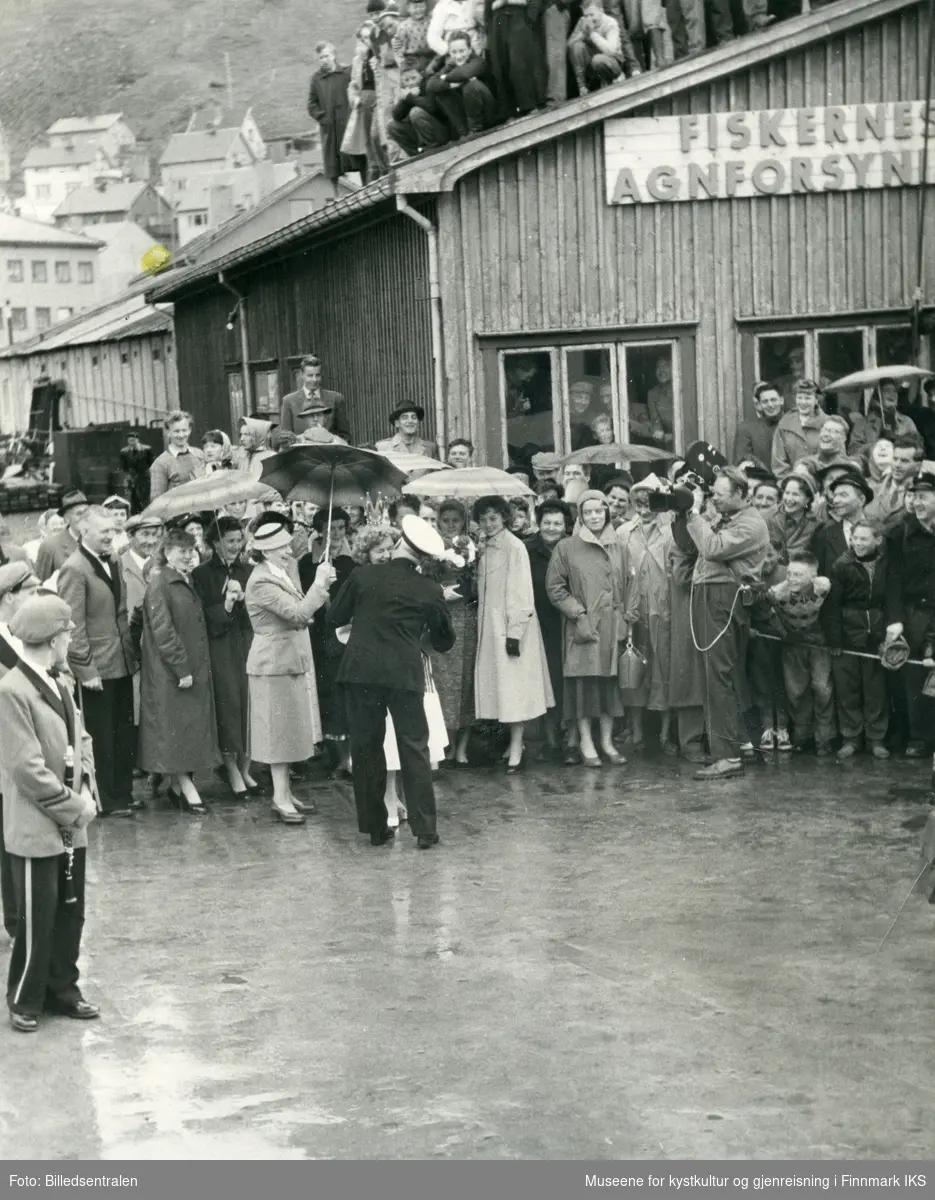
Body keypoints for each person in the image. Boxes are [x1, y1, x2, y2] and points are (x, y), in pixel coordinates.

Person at [0, 594, 99, 1034]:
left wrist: (88, 786)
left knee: (70, 911)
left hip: (69, 822)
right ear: (54, 639)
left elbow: (81, 739)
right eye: (68, 633)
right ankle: (26, 996)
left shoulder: (61, 680)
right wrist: (75, 806)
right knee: (38, 915)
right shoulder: (11, 691)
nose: (71, 638)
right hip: (40, 822)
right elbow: (26, 768)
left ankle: (63, 988)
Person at [329, 515, 455, 848]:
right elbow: (444, 641)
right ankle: (425, 830)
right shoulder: (429, 588)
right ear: (424, 557)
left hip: (360, 672)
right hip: (405, 674)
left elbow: (335, 617)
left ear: (398, 544)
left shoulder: (361, 575)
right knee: (414, 746)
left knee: (367, 747)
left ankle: (375, 827)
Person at [673, 467, 770, 781]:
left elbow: (712, 548)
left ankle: (726, 757)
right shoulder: (722, 518)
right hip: (711, 598)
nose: (713, 498)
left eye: (719, 494)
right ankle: (743, 745)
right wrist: (682, 512)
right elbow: (690, 545)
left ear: (742, 494)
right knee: (725, 677)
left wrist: (694, 513)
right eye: (712, 492)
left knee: (718, 678)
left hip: (723, 600)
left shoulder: (752, 524)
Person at [245, 514, 336, 824]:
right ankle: (280, 797)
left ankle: (284, 793)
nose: (288, 550)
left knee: (288, 733)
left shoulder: (279, 572)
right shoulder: (260, 580)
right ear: (266, 551)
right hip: (273, 665)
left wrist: (318, 588)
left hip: (287, 662)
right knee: (277, 735)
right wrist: (320, 584)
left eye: (287, 544)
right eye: (281, 547)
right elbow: (297, 613)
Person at [57, 507, 138, 819]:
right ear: (83, 531)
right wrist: (85, 669)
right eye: (103, 531)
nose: (110, 536)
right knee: (101, 735)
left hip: (120, 662)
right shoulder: (74, 569)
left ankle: (123, 793)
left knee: (122, 732)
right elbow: (72, 623)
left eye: (112, 530)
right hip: (95, 670)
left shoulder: (114, 560)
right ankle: (105, 798)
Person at [139, 529, 221, 816]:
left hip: (189, 670)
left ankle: (178, 787)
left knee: (185, 732)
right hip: (171, 674)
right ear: (167, 552)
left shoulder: (185, 580)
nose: (187, 555)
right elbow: (163, 631)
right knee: (175, 732)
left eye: (190, 550)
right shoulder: (160, 583)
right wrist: (181, 667)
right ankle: (187, 789)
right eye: (180, 550)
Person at [546, 490, 630, 767]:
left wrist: (628, 619)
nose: (595, 516)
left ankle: (606, 741)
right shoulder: (566, 547)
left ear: (607, 512)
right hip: (581, 627)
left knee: (609, 685)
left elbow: (631, 588)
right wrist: (577, 613)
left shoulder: (620, 546)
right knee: (583, 687)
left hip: (612, 627)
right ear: (580, 516)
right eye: (588, 511)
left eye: (599, 510)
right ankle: (585, 741)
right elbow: (555, 588)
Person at [472, 495, 553, 770]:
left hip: (509, 626)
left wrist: (515, 632)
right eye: (483, 520)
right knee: (500, 689)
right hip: (489, 626)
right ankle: (509, 743)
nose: (488, 524)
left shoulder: (514, 547)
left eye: (493, 518)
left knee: (514, 688)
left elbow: (520, 591)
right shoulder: (482, 547)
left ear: (504, 518)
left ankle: (518, 745)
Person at [192, 518, 256, 798]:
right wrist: (226, 603)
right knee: (228, 704)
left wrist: (244, 600)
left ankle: (245, 767)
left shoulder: (249, 570)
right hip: (221, 648)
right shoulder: (201, 574)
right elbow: (204, 618)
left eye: (238, 540)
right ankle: (230, 768)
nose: (235, 546)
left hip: (248, 643)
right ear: (215, 543)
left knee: (249, 704)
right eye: (229, 541)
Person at [824, 517, 890, 761]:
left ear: (878, 540)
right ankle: (851, 737)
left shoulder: (886, 562)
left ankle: (876, 739)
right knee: (847, 688)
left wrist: (885, 635)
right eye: (855, 538)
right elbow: (832, 606)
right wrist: (835, 641)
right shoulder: (841, 565)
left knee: (875, 689)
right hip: (848, 634)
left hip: (876, 632)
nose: (858, 543)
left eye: (864, 538)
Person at [618, 477, 675, 752]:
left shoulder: (672, 531)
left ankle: (665, 733)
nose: (644, 508)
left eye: (649, 502)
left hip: (664, 610)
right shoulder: (624, 533)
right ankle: (636, 729)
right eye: (639, 502)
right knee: (633, 668)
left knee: (663, 667)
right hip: (635, 611)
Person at [0, 563, 41, 941]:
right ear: (10, 596)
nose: (37, 598)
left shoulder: (25, 636)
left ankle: (23, 917)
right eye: (30, 592)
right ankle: (15, 919)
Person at [298, 512, 356, 778]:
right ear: (320, 531)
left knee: (344, 692)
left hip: (344, 633)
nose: (336, 533)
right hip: (318, 634)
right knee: (325, 692)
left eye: (341, 527)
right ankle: (332, 752)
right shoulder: (307, 564)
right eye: (331, 528)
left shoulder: (348, 563)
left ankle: (348, 756)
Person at [884, 462, 935, 758]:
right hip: (914, 614)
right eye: (913, 496)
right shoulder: (898, 534)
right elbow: (893, 580)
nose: (916, 502)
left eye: (924, 496)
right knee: (914, 678)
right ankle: (918, 737)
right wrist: (895, 620)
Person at [762, 552, 835, 757]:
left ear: (812, 576)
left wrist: (826, 637)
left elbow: (830, 611)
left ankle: (825, 738)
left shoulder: (824, 586)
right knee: (796, 691)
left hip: (818, 643)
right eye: (790, 573)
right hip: (793, 642)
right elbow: (769, 616)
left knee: (822, 688)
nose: (791, 579)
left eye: (798, 575)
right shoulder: (777, 593)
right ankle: (803, 736)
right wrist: (785, 634)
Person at [525, 499, 572, 760]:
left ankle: (566, 737)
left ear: (565, 526)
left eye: (557, 523)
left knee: (563, 679)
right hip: (538, 622)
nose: (552, 528)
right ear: (538, 523)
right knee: (545, 680)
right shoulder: (527, 548)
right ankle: (550, 738)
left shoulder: (571, 547)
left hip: (566, 621)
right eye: (547, 523)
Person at [120, 514, 163, 731]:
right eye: (145, 534)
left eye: (156, 534)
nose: (152, 540)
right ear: (130, 536)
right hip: (134, 649)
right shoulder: (120, 566)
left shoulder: (163, 565)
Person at [307, 42, 365, 196]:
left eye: (326, 56)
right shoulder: (316, 79)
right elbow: (311, 104)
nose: (324, 60)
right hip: (330, 126)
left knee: (356, 155)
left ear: (333, 55)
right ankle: (336, 195)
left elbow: (357, 89)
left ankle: (365, 188)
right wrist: (322, 117)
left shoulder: (346, 72)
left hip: (348, 123)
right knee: (333, 162)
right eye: (321, 57)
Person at [426, 30, 497, 138]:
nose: (458, 56)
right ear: (449, 52)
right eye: (454, 52)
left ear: (469, 50)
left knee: (471, 86)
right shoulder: (451, 65)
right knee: (441, 92)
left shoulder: (478, 62)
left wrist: (445, 77)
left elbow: (464, 74)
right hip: (468, 116)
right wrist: (449, 85)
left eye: (462, 51)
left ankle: (475, 130)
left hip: (488, 114)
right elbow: (430, 84)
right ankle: (464, 133)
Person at [568, 0, 640, 94]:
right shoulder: (583, 21)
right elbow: (569, 45)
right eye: (586, 15)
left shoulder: (610, 22)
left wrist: (592, 34)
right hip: (593, 62)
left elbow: (611, 51)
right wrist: (582, 34)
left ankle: (617, 75)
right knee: (576, 47)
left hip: (612, 60)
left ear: (601, 11)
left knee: (598, 60)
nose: (589, 19)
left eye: (592, 15)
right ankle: (583, 87)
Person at [809, 471, 872, 577]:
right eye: (835, 495)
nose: (836, 500)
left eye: (843, 495)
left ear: (861, 500)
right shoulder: (823, 535)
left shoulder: (879, 533)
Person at [278, 355, 351, 446]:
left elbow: (345, 436)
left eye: (318, 375)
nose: (314, 380)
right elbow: (286, 437)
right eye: (310, 375)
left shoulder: (336, 398)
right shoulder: (289, 401)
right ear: (301, 375)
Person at [848, 377, 921, 457]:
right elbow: (852, 451)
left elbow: (920, 450)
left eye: (895, 391)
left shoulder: (907, 421)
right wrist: (878, 444)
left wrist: (898, 441)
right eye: (887, 391)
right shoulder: (862, 423)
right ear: (877, 396)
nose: (892, 394)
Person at [865, 432, 923, 530]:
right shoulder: (870, 489)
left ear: (918, 466)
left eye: (904, 461)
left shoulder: (922, 497)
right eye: (895, 459)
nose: (897, 465)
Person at [388, 66, 452, 155]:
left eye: (414, 78)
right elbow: (396, 116)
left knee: (416, 112)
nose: (411, 82)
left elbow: (433, 108)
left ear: (421, 75)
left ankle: (433, 148)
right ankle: (416, 154)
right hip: (421, 135)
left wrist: (412, 97)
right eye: (406, 80)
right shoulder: (409, 92)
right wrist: (405, 99)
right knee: (391, 126)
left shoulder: (429, 83)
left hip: (441, 131)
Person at [771, 380, 827, 479]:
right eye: (799, 397)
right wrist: (792, 480)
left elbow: (831, 457)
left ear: (817, 400)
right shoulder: (785, 423)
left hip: (821, 480)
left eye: (807, 398)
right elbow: (778, 462)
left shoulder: (827, 423)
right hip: (791, 483)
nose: (803, 402)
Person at [149, 411, 205, 501]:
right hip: (178, 513)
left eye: (184, 430)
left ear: (190, 430)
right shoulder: (160, 463)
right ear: (168, 432)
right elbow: (156, 500)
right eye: (176, 431)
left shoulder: (200, 455)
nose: (181, 435)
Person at [35, 490, 89, 584]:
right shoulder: (50, 546)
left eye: (87, 513)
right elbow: (40, 584)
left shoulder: (97, 540)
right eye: (79, 513)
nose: (84, 517)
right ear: (67, 519)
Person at [733, 382, 785, 469]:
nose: (770, 405)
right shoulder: (747, 429)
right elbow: (742, 460)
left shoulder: (795, 425)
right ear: (760, 404)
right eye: (765, 401)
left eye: (773, 400)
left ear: (781, 400)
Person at [770, 474, 819, 563]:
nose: (789, 498)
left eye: (795, 494)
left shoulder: (814, 524)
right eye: (787, 493)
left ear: (807, 499)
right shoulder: (770, 517)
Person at [797, 414, 853, 479]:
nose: (826, 434)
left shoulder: (847, 468)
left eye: (833, 431)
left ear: (843, 438)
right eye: (824, 430)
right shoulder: (804, 464)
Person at [119, 433, 154, 514]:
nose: (132, 442)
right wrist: (128, 476)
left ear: (138, 440)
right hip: (131, 478)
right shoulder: (124, 451)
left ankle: (146, 514)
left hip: (144, 477)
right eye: (130, 440)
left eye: (133, 440)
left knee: (145, 498)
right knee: (133, 499)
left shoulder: (146, 449)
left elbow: (151, 463)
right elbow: (124, 466)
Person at [645, 356, 675, 448]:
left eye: (665, 366)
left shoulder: (683, 388)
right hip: (670, 442)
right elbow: (656, 421)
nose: (661, 370)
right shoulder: (653, 394)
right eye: (658, 367)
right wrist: (658, 432)